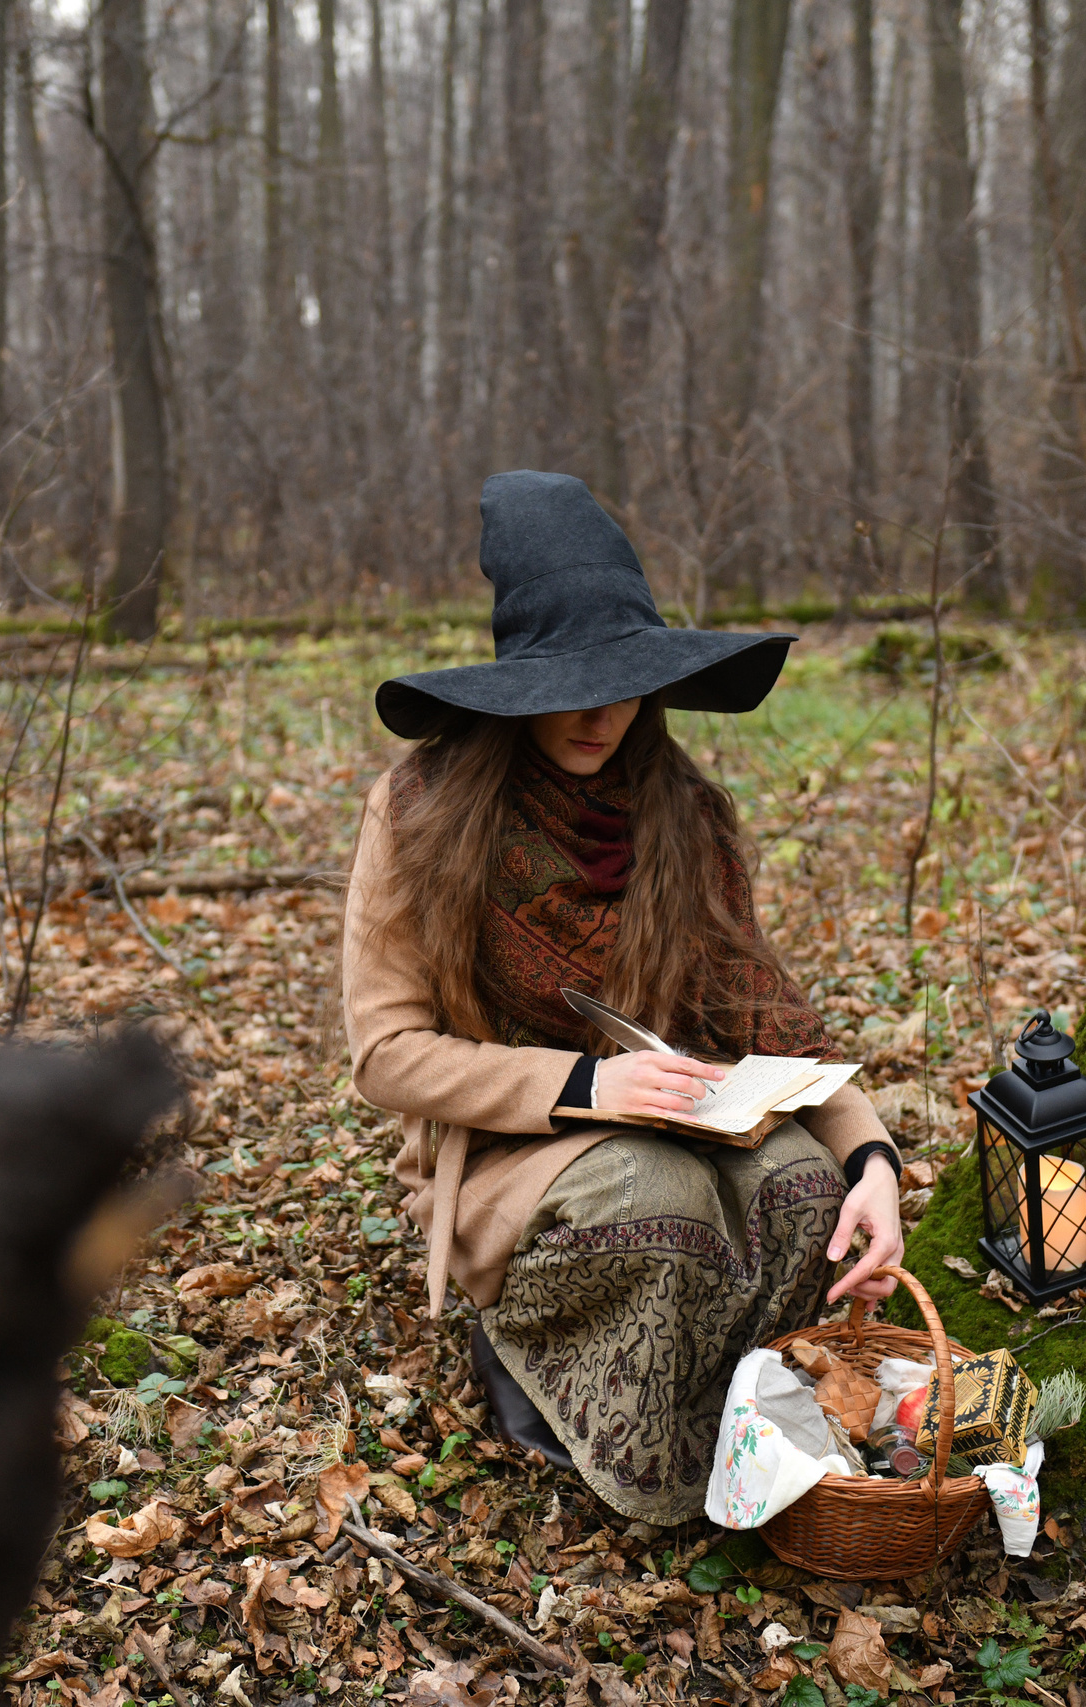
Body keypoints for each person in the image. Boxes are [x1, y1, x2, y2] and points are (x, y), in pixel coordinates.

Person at [340, 471, 907, 1525]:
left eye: (628, 680)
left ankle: (758, 1435)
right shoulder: (419, 808)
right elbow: (385, 1055)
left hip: (668, 1111)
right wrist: (592, 1085)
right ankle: (581, 1411)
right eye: (573, 683)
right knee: (653, 1197)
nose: (604, 713)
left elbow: (769, 1025)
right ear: (518, 686)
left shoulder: (683, 810)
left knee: (798, 1186)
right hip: (507, 1147)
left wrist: (872, 1162)